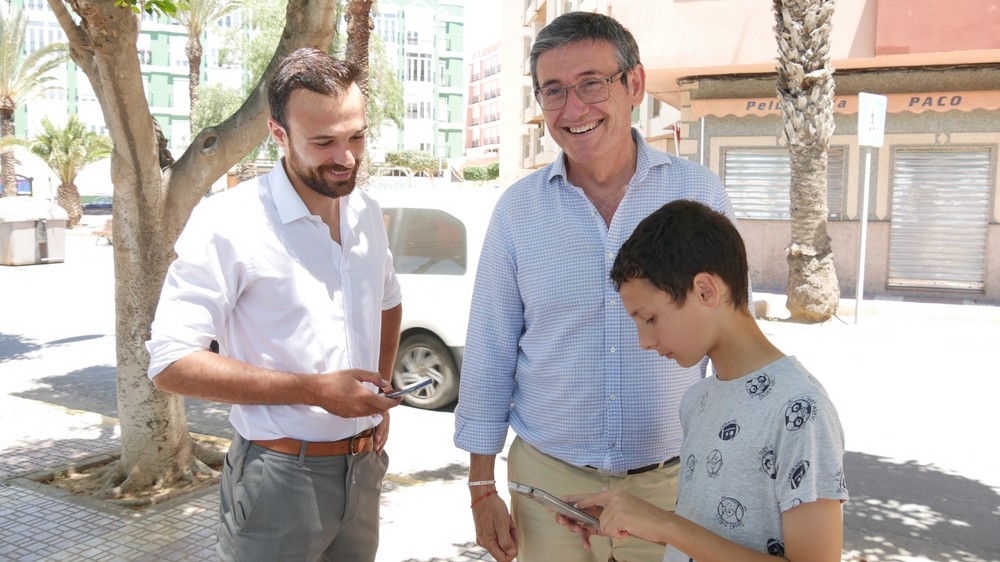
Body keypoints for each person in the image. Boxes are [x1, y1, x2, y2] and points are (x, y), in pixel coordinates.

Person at [453, 11, 737, 562]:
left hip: (674, 489)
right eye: (553, 91)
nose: (573, 109)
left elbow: (729, 342)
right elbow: (490, 352)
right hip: (548, 487)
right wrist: (481, 486)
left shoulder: (698, 195)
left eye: (591, 83)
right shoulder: (517, 210)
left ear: (634, 84)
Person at [145, 48, 403, 562]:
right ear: (278, 134)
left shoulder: (366, 211)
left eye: (357, 136)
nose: (346, 157)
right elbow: (169, 363)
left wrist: (380, 386)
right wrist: (313, 391)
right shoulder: (230, 221)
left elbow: (389, 302)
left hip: (365, 468)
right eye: (324, 141)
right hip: (277, 478)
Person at [557, 199, 848, 561]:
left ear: (706, 291)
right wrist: (641, 521)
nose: (644, 342)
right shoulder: (697, 401)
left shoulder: (801, 411)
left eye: (649, 318)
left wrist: (667, 525)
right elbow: (710, 535)